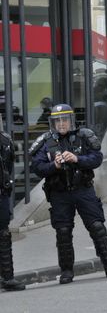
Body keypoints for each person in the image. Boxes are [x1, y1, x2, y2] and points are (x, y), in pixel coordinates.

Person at [29, 104, 107, 284]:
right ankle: (66, 271)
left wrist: (77, 159)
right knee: (63, 231)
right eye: (57, 121)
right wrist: (54, 166)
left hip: (83, 189)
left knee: (97, 226)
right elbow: (37, 167)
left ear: (70, 120)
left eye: (64, 120)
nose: (61, 124)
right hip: (59, 193)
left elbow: (97, 158)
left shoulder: (83, 136)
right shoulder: (45, 141)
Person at [0, 122, 25, 291]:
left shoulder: (5, 140)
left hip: (0, 194)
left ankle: (8, 277)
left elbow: (8, 167)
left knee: (3, 234)